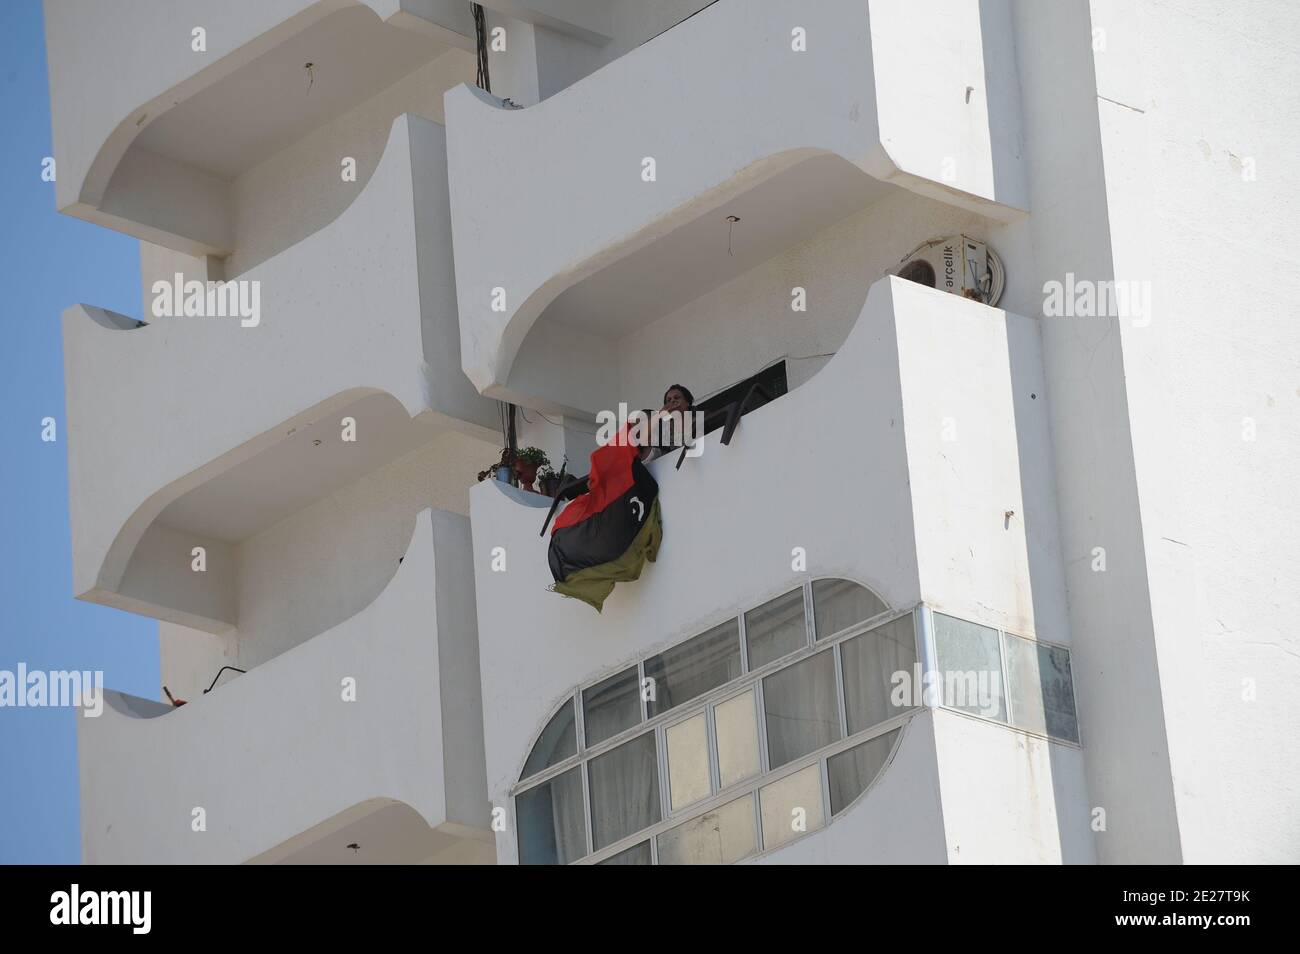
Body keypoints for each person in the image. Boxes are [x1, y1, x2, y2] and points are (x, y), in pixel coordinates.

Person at [638, 384, 695, 462]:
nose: (673, 401)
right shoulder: (665, 429)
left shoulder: (700, 417)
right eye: (669, 400)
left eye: (677, 397)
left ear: (687, 402)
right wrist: (659, 415)